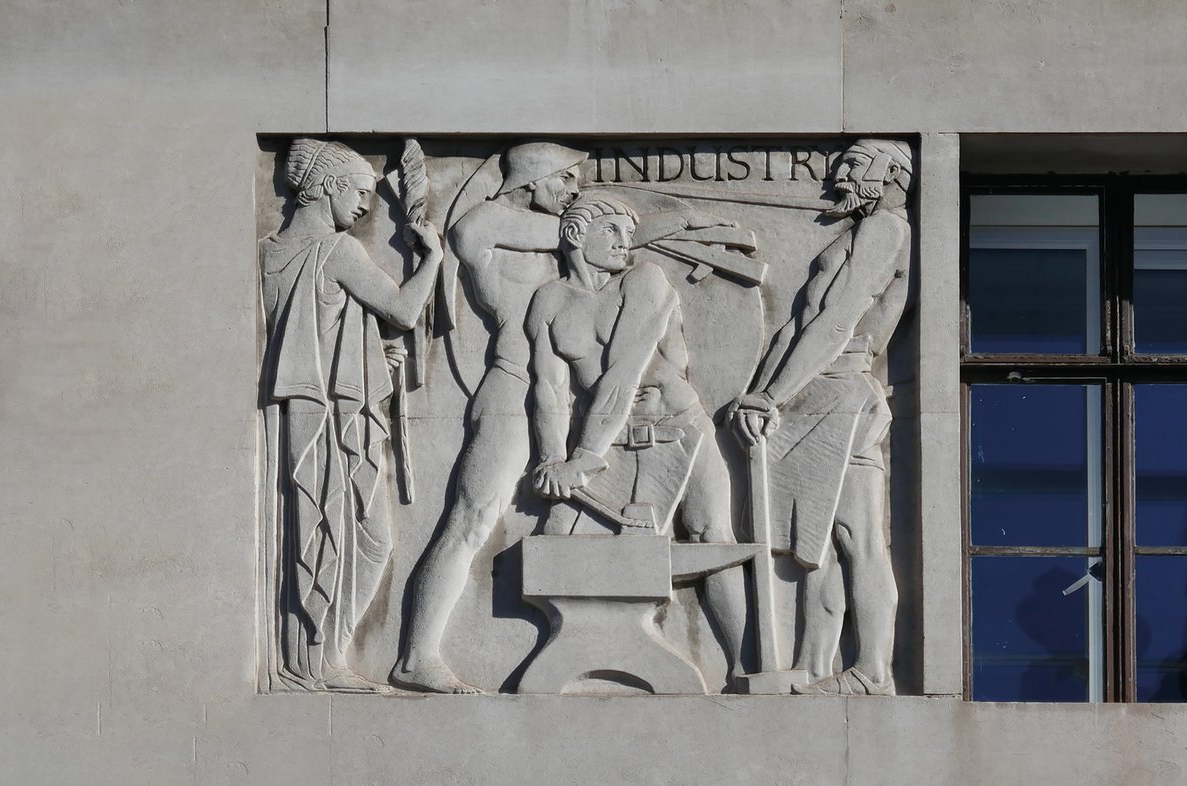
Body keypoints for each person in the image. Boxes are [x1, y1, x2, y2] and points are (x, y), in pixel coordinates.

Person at [525, 191, 749, 686]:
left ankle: (742, 668)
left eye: (631, 234)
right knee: (554, 541)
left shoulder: (645, 282)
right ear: (575, 235)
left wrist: (581, 457)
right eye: (613, 231)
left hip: (675, 428)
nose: (627, 243)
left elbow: (624, 370)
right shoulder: (549, 301)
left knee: (710, 535)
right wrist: (549, 458)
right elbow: (549, 389)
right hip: (608, 441)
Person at [391, 141, 587, 693]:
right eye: (567, 180)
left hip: (581, 399)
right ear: (533, 176)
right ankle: (416, 656)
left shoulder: (569, 234)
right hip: (516, 390)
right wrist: (588, 229)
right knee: (471, 519)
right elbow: (469, 233)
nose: (576, 194)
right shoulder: (483, 228)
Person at [729, 139, 913, 695]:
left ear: (891, 173)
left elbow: (838, 319)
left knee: (858, 537)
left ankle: (873, 670)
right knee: (823, 541)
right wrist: (759, 394)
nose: (840, 174)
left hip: (842, 390)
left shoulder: (887, 229)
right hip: (809, 393)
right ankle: (813, 666)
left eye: (854, 164)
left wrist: (773, 396)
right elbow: (796, 323)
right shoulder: (857, 232)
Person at [261, 137, 442, 692]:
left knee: (310, 528)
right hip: (329, 423)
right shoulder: (338, 249)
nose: (365, 205)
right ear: (330, 186)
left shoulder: (267, 251)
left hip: (295, 413)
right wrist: (432, 255)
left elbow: (323, 324)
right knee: (351, 532)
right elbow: (403, 311)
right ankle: (318, 662)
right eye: (361, 192)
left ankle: (308, 659)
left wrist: (370, 355)